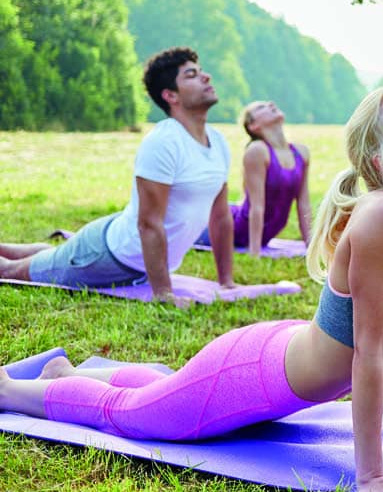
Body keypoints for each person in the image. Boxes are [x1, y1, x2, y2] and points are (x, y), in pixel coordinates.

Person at [0, 87, 383, 492]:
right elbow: (369, 355)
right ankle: (14, 392)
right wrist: (369, 476)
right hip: (253, 376)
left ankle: (64, 374)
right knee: (134, 415)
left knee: (168, 394)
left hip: (281, 360)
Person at [0, 47, 235, 306]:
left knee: (53, 257)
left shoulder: (218, 142)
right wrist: (163, 294)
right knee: (12, 271)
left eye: (201, 72)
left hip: (118, 242)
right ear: (170, 95)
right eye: (191, 75)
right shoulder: (164, 141)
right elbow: (149, 223)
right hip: (106, 257)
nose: (206, 77)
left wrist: (227, 282)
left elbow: (221, 216)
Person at [195, 101, 312, 257]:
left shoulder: (301, 152)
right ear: (253, 126)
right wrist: (255, 253)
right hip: (228, 227)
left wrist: (311, 247)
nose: (270, 104)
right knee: (177, 229)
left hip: (258, 231)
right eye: (260, 107)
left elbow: (303, 204)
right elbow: (256, 206)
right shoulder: (257, 151)